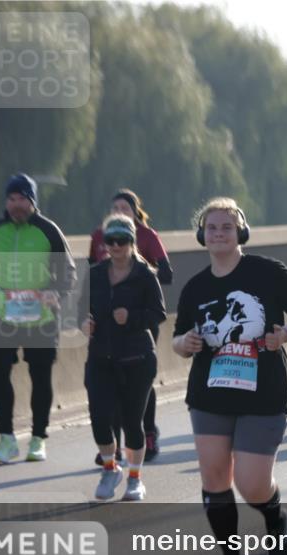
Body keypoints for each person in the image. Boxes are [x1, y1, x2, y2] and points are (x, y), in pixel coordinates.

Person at [173, 198, 287, 555]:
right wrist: (184, 343)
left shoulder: (268, 272)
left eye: (227, 227)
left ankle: (274, 515)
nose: (219, 233)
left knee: (251, 485)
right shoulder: (196, 286)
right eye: (213, 227)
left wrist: (284, 334)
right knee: (215, 478)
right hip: (209, 393)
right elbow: (177, 337)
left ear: (241, 233)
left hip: (263, 391)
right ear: (202, 234)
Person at [0, 173, 77, 464]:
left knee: (40, 376)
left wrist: (56, 292)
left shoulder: (48, 230)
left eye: (23, 199)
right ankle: (6, 439)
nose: (16, 205)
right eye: (12, 199)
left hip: (40, 316)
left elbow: (68, 272)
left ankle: (38, 438)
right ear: (6, 201)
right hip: (0, 313)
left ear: (33, 202)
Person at [80, 215, 165, 500]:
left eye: (122, 240)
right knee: (99, 418)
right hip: (100, 357)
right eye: (110, 241)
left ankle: (134, 479)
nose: (115, 246)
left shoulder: (145, 275)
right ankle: (110, 468)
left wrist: (131, 318)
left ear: (132, 242)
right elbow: (79, 310)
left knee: (131, 422)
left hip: (137, 359)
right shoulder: (94, 274)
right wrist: (84, 323)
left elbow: (158, 314)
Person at [89, 189, 172, 463]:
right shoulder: (97, 240)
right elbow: (84, 292)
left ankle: (146, 433)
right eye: (115, 207)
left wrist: (136, 300)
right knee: (106, 399)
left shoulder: (148, 237)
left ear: (136, 211)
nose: (114, 245)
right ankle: (111, 452)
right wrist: (82, 320)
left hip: (139, 334)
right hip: (104, 340)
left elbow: (166, 276)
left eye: (125, 207)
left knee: (134, 397)